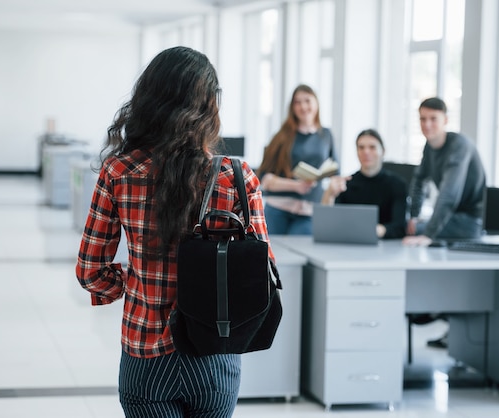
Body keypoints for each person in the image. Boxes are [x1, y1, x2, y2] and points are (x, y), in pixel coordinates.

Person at [75, 46, 274, 418]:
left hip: (145, 352)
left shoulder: (118, 172)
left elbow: (90, 271)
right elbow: (261, 273)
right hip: (214, 354)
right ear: (208, 106)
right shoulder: (237, 176)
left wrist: (133, 283)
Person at [403, 97, 487, 349]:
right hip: (451, 219)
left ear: (445, 121)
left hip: (471, 221)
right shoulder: (430, 147)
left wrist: (427, 233)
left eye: (433, 119)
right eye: (422, 119)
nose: (427, 125)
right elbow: (419, 181)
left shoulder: (459, 146)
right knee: (408, 229)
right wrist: (413, 216)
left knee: (413, 236)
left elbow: (449, 194)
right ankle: (431, 305)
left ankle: (431, 306)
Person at [257, 84, 337, 235]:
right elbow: (263, 178)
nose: (303, 106)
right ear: (292, 107)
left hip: (309, 211)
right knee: (269, 256)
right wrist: (296, 186)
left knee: (302, 255)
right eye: (297, 102)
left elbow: (335, 169)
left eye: (307, 100)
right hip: (277, 209)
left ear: (316, 103)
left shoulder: (326, 135)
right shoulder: (281, 136)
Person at [321, 128, 407, 239]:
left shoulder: (397, 184)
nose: (366, 152)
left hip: (386, 246)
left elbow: (400, 226)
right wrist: (329, 194)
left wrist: (375, 230)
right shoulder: (346, 184)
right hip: (349, 244)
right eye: (361, 147)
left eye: (372, 147)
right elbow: (328, 224)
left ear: (383, 151)